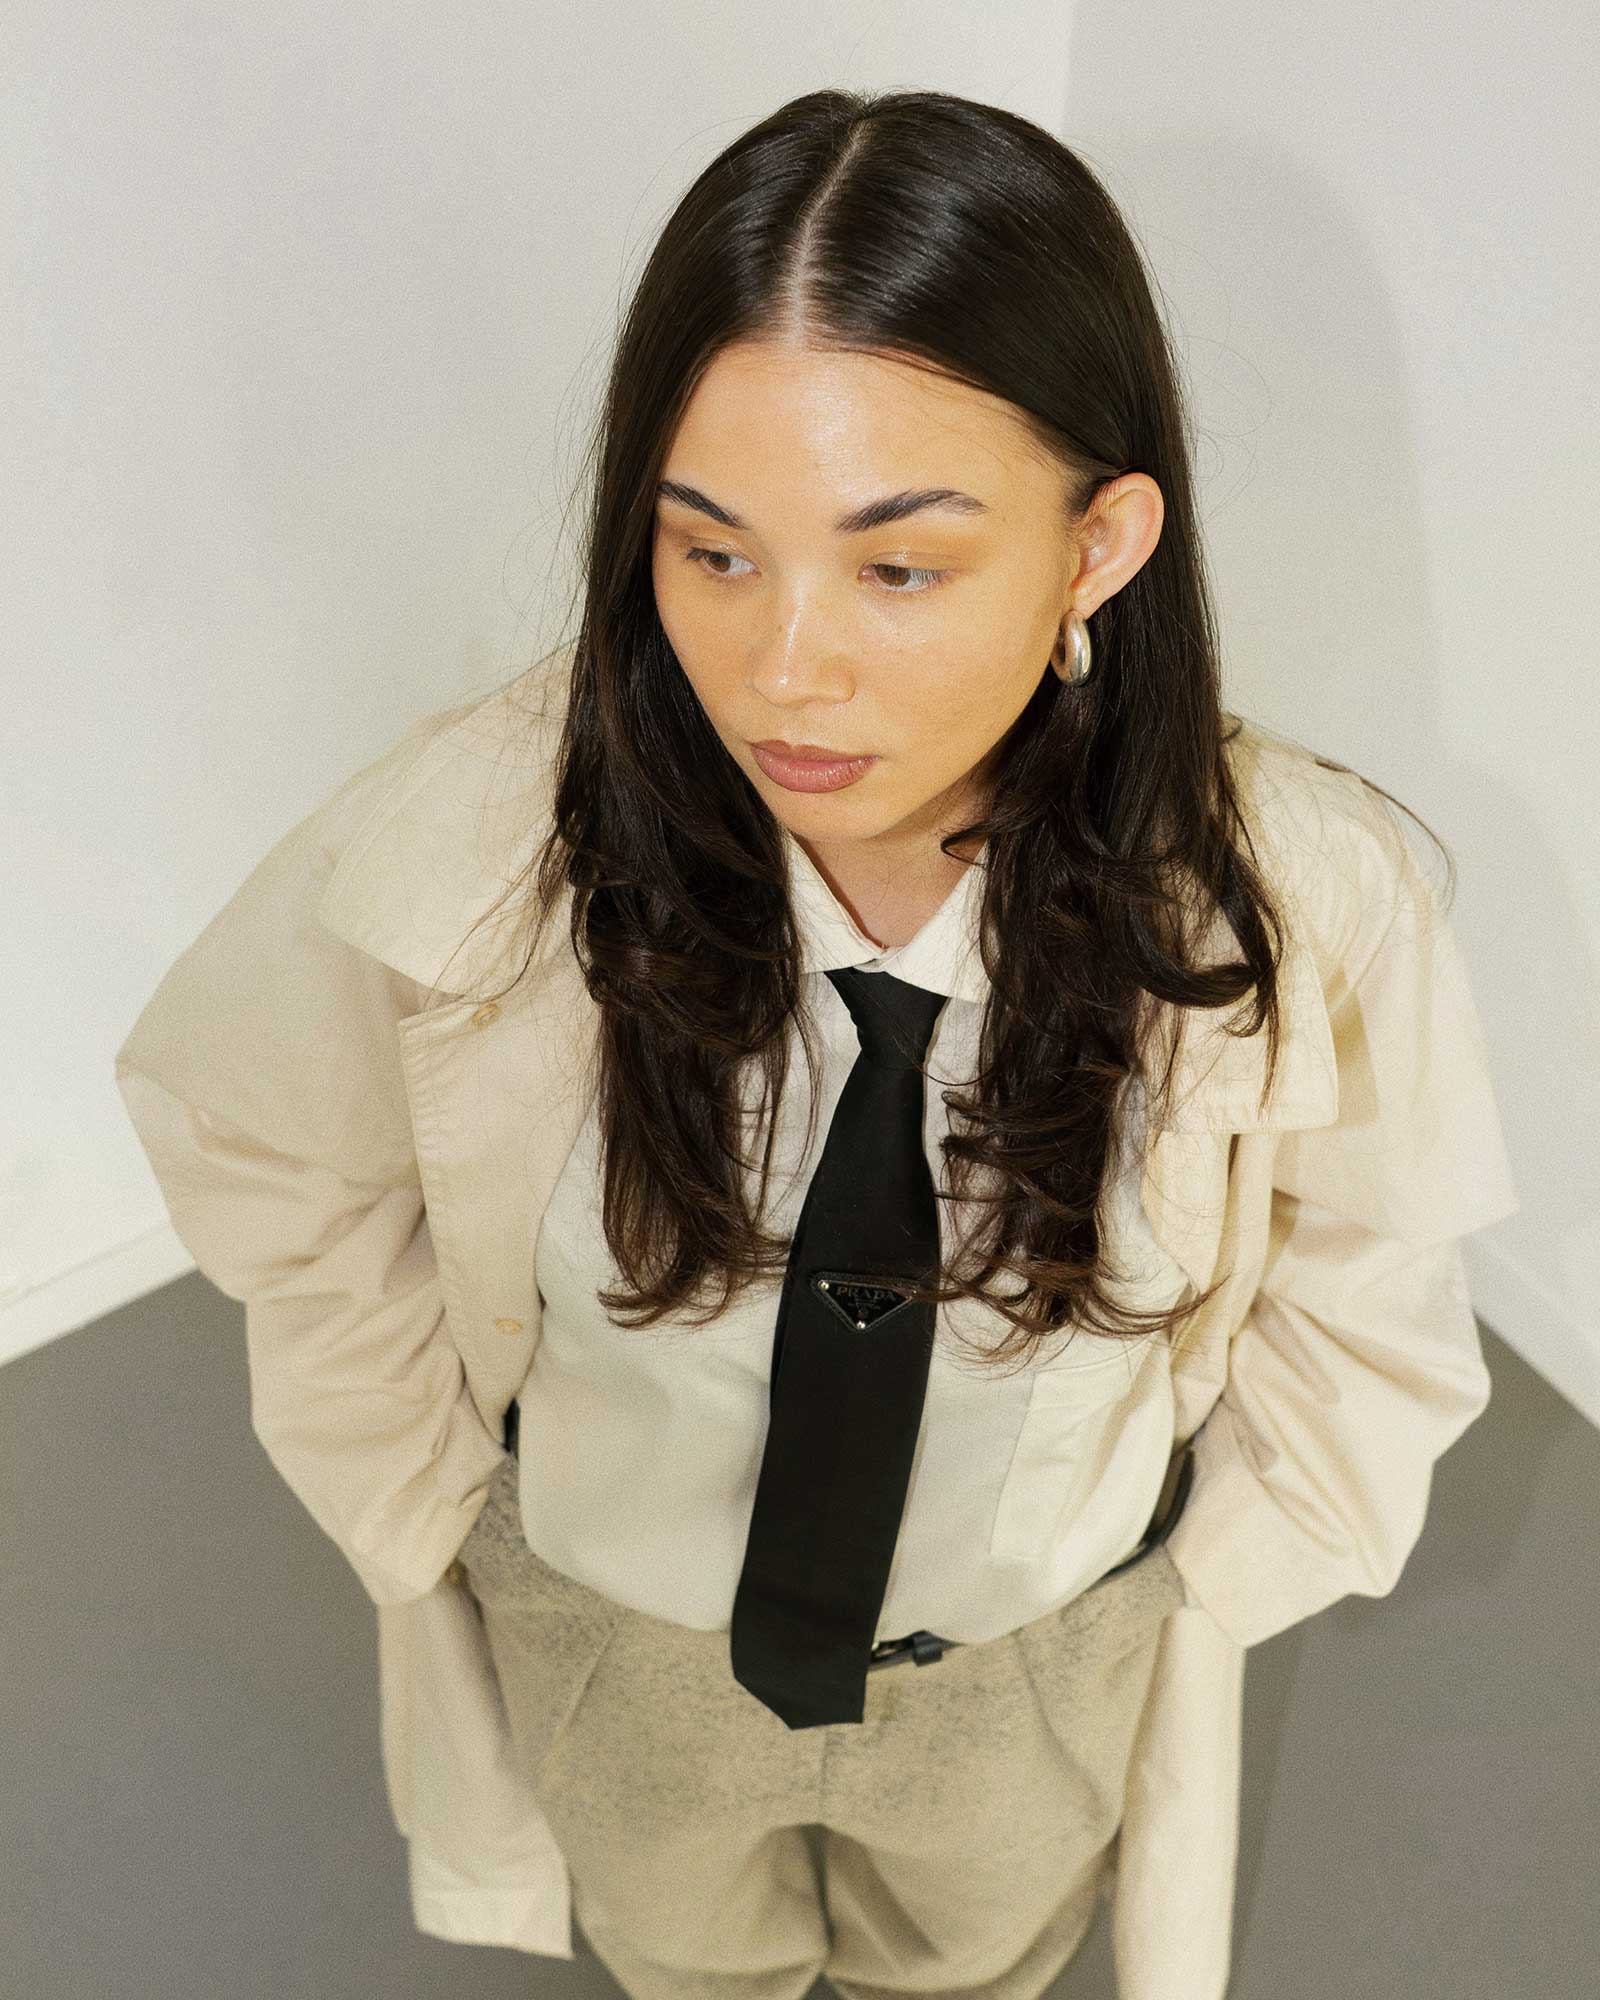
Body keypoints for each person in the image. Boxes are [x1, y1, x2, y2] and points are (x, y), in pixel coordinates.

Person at [114, 87, 1519, 2000]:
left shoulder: (1304, 903)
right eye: (712, 553)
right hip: (618, 1643)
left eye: (899, 567)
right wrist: (448, 1511)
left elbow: (1371, 1285)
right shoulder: (486, 840)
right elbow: (263, 1139)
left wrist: (1191, 1591)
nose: (784, 669)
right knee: (680, 1961)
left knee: (979, 1965)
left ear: (1099, 545)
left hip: (1030, 1667)